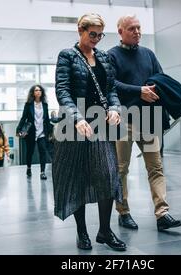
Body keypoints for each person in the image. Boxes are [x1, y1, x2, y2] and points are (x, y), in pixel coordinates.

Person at [53, 13, 126, 251]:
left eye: (99, 35)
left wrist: (115, 108)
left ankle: (104, 231)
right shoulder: (67, 55)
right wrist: (76, 118)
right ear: (80, 31)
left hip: (100, 124)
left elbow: (111, 89)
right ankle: (81, 232)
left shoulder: (103, 57)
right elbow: (62, 91)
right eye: (92, 34)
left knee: (107, 174)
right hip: (75, 126)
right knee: (78, 179)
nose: (96, 39)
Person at [108, 15, 181, 231]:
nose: (137, 32)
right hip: (124, 121)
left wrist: (154, 89)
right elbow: (110, 85)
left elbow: (160, 78)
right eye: (132, 28)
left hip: (149, 120)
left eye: (139, 28)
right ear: (121, 31)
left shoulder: (148, 54)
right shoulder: (112, 56)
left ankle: (162, 214)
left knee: (156, 167)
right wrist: (138, 91)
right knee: (122, 168)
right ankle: (123, 212)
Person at [16, 84, 51, 179]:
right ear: (33, 93)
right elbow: (24, 118)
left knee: (42, 152)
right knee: (30, 152)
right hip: (31, 132)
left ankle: (42, 172)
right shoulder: (28, 105)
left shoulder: (45, 105)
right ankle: (28, 167)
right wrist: (18, 129)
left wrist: (50, 132)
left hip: (42, 132)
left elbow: (47, 119)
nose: (38, 91)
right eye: (36, 90)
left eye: (40, 90)